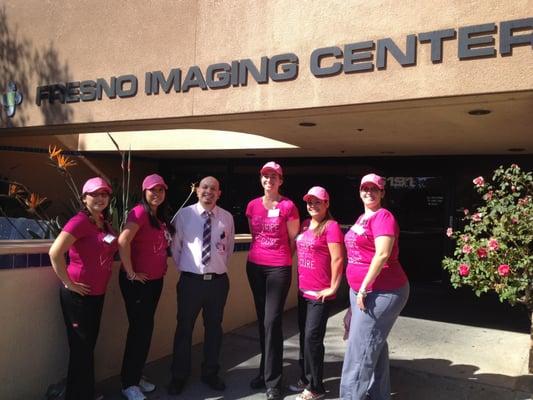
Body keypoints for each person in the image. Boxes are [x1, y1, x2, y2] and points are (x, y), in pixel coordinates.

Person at [340, 173, 410, 400]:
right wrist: (353, 299)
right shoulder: (362, 218)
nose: (368, 192)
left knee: (359, 351)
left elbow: (382, 254)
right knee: (372, 344)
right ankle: (379, 394)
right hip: (361, 292)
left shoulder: (383, 217)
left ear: (382, 193)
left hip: (383, 291)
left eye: (374, 189)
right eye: (364, 188)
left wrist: (362, 288)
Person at [49, 177, 118, 400]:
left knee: (87, 347)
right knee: (80, 348)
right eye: (95, 194)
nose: (100, 198)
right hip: (78, 296)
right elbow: (55, 252)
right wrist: (68, 282)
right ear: (84, 198)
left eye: (104, 194)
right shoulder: (79, 221)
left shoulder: (104, 223)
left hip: (97, 294)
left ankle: (84, 391)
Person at [168, 176, 235, 395]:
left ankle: (210, 373)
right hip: (191, 282)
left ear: (219, 193)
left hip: (217, 283)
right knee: (184, 329)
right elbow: (176, 248)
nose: (208, 191)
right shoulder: (184, 216)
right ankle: (179, 376)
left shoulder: (227, 217)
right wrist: (191, 271)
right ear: (197, 191)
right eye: (204, 187)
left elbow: (229, 248)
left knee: (214, 329)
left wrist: (214, 270)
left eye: (213, 188)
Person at [246, 161, 300, 400]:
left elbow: (293, 240)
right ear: (261, 179)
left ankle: (273, 382)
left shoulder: (288, 206)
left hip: (278, 268)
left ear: (280, 180)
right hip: (255, 267)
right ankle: (264, 372)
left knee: (272, 322)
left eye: (274, 176)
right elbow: (255, 235)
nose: (269, 180)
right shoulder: (252, 206)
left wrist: (281, 260)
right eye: (265, 176)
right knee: (262, 322)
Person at [117, 174, 174, 400]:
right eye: (152, 190)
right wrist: (130, 272)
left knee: (145, 330)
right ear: (144, 192)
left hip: (154, 282)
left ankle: (136, 374)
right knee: (139, 331)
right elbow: (123, 241)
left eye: (161, 190)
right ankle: (128, 383)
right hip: (138, 284)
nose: (157, 194)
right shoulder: (139, 212)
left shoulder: (158, 216)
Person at [291, 186, 344, 400]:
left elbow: (338, 259)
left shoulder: (331, 227)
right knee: (305, 336)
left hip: (320, 294)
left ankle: (316, 387)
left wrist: (333, 287)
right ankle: (305, 378)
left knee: (313, 338)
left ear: (326, 204)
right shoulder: (305, 225)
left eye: (317, 202)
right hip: (304, 291)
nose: (312, 205)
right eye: (309, 202)